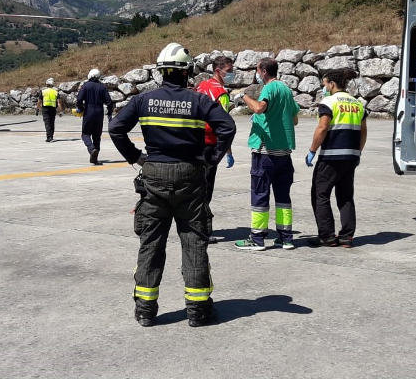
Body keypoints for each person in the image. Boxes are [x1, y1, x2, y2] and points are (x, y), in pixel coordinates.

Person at [109, 42, 236, 328]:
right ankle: (198, 311)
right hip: (191, 175)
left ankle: (145, 310)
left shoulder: (144, 100)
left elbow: (116, 128)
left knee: (151, 243)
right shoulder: (199, 100)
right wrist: (210, 159)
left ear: (160, 72)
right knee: (194, 241)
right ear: (186, 72)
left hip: (154, 174)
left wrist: (135, 157)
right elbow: (227, 127)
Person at [235, 57, 300, 251]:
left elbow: (259, 108)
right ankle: (286, 238)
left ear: (263, 71)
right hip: (284, 153)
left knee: (260, 194)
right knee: (283, 197)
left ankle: (257, 238)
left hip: (265, 152)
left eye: (257, 71)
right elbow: (294, 119)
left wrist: (243, 97)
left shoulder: (269, 88)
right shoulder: (286, 90)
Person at [304, 69, 367, 247]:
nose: (324, 88)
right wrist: (358, 152)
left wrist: (312, 150)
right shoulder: (357, 104)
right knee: (345, 196)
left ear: (331, 84)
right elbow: (363, 132)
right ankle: (347, 237)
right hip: (351, 157)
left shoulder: (329, 102)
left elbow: (322, 128)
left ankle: (327, 236)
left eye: (325, 84)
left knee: (320, 194)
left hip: (331, 157)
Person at [194, 56, 236, 243]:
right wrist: (228, 151)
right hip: (210, 144)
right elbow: (224, 125)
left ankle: (192, 224)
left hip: (194, 141)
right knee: (206, 188)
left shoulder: (201, 86)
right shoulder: (221, 93)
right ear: (218, 71)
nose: (232, 74)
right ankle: (202, 229)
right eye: (229, 70)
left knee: (194, 186)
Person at [77, 68, 113, 165]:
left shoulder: (85, 86)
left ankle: (92, 149)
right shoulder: (102, 87)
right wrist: (109, 114)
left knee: (85, 134)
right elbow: (109, 102)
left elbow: (79, 99)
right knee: (97, 136)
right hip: (99, 112)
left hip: (88, 112)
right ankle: (95, 157)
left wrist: (80, 109)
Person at [37, 77, 63, 142]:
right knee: (52, 123)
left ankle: (49, 137)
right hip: (53, 109)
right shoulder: (55, 92)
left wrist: (37, 109)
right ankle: (51, 136)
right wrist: (60, 111)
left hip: (45, 109)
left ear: (46, 84)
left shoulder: (43, 92)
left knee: (47, 123)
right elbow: (59, 103)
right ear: (52, 85)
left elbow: (39, 102)